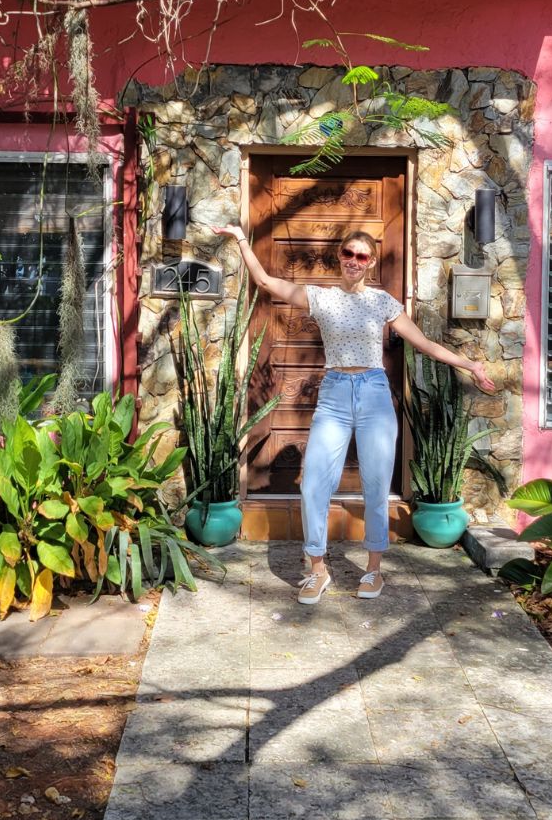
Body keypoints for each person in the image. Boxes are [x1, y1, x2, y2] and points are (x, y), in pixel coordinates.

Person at [212, 223, 496, 604]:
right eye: (348, 254)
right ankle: (317, 569)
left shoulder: (383, 302)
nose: (354, 261)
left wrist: (470, 366)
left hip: (374, 394)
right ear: (340, 257)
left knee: (376, 485)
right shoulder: (321, 297)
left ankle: (373, 569)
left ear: (371, 262)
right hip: (334, 394)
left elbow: (425, 344)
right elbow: (264, 281)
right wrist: (241, 238)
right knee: (313, 483)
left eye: (362, 256)